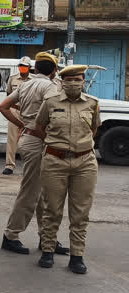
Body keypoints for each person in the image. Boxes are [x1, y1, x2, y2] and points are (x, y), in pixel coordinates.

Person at [0, 52, 68, 255]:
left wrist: (23, 125)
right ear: (55, 70)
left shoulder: (26, 84)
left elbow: (3, 106)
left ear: (35, 69)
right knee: (31, 192)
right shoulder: (51, 87)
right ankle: (11, 235)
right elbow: (51, 112)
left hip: (29, 138)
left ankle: (47, 238)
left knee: (43, 193)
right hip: (40, 141)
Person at [35, 65, 99, 274]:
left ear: (84, 81)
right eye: (69, 80)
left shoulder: (92, 103)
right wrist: (56, 145)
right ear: (62, 82)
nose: (73, 83)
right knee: (51, 208)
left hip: (85, 162)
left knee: (80, 212)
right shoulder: (51, 102)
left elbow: (94, 129)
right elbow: (39, 127)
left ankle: (77, 255)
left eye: (77, 79)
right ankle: (47, 250)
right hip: (55, 161)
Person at [2, 56, 33, 175]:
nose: (22, 68)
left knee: (30, 139)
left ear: (29, 68)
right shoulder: (12, 79)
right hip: (15, 110)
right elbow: (9, 94)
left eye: (25, 67)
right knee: (12, 138)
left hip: (29, 111)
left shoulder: (34, 80)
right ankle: (9, 165)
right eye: (21, 66)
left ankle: (28, 166)